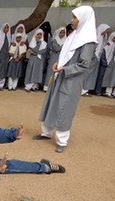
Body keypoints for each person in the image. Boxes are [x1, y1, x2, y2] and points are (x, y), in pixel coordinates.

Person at [34, 6, 97, 153]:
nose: (72, 20)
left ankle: (62, 140)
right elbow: (64, 56)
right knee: (52, 103)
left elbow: (83, 65)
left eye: (75, 17)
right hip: (60, 75)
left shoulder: (88, 41)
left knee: (64, 108)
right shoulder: (73, 35)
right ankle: (46, 133)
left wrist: (65, 69)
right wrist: (58, 64)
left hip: (71, 80)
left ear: (84, 19)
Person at [81, 24, 110, 96]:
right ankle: (81, 89)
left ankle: (85, 90)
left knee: (91, 75)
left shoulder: (102, 39)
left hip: (97, 58)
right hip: (91, 58)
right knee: (87, 73)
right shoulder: (94, 39)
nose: (105, 33)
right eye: (105, 31)